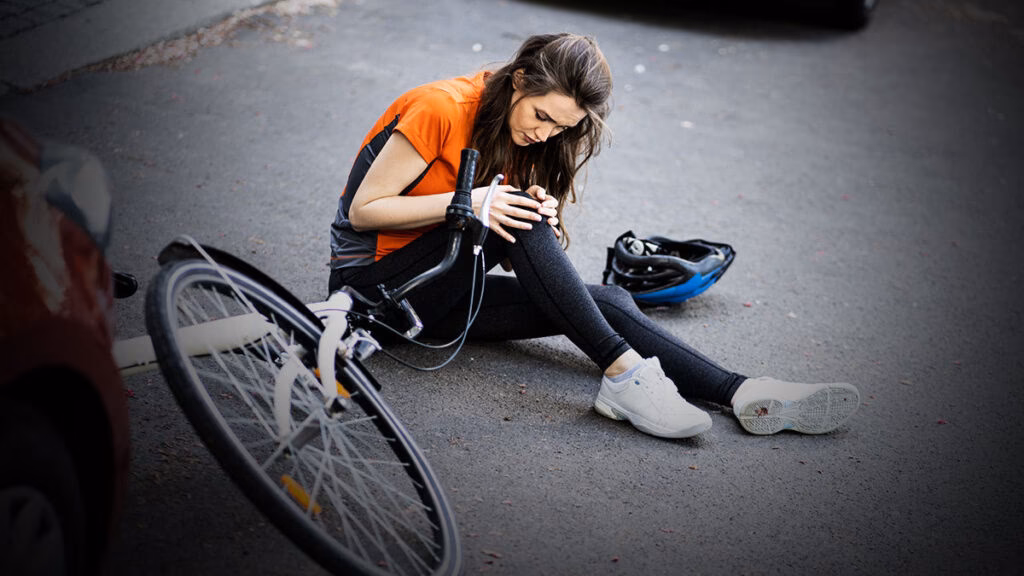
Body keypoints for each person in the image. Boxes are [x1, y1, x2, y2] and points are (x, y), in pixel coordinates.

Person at [329, 33, 859, 438]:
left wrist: (536, 216)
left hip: (442, 296)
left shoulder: (523, 132)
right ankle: (626, 375)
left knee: (606, 298)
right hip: (375, 294)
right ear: (518, 79)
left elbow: (516, 257)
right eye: (542, 116)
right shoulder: (441, 107)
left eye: (561, 128)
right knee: (514, 218)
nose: (545, 134)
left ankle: (743, 392)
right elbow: (364, 211)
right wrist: (476, 205)